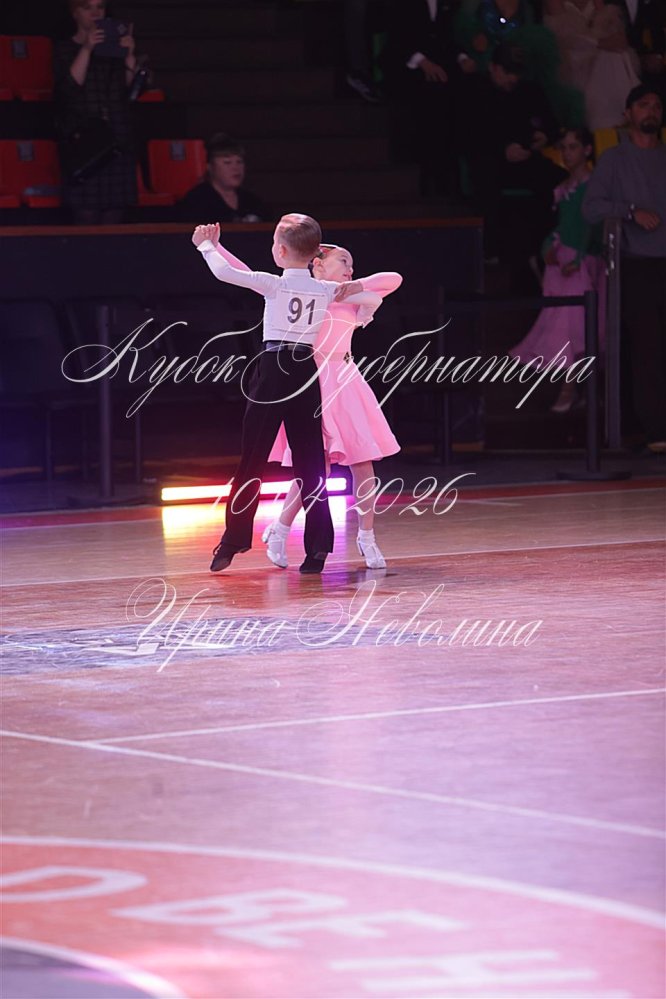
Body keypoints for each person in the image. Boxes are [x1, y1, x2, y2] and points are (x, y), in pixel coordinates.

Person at [192, 214, 364, 574]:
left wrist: (207, 245)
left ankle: (233, 541)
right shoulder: (324, 289)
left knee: (253, 457)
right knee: (311, 460)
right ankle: (318, 549)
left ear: (280, 251)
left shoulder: (274, 283)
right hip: (305, 371)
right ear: (314, 254)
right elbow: (371, 291)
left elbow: (225, 272)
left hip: (273, 370)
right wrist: (351, 286)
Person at [264, 244, 402, 570]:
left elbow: (393, 279)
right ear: (318, 264)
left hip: (346, 381)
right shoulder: (306, 293)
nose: (350, 268)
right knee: (315, 469)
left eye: (353, 263)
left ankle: (367, 536)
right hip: (313, 381)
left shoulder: (354, 296)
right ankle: (280, 529)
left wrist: (355, 285)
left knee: (363, 461)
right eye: (344, 262)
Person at [582, 84, 665, 451]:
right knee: (648, 348)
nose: (652, 111)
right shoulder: (615, 159)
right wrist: (630, 211)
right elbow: (591, 207)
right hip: (638, 263)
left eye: (657, 106)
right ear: (628, 114)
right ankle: (657, 430)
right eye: (644, 105)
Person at [510, 127, 605, 411]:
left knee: (577, 325)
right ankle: (576, 389)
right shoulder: (563, 187)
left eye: (573, 147)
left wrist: (580, 257)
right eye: (564, 147)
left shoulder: (595, 185)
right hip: (564, 262)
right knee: (567, 323)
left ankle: (573, 389)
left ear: (587, 150)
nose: (567, 153)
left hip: (584, 263)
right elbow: (563, 226)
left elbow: (593, 225)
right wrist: (548, 247)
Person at [460, 43, 566, 259]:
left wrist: (545, 136)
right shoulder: (475, 90)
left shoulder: (529, 90)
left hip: (527, 159)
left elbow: (552, 125)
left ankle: (552, 246)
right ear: (493, 67)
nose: (513, 78)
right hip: (490, 161)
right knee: (486, 181)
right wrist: (502, 151)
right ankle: (491, 253)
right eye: (507, 71)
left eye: (516, 72)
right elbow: (467, 135)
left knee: (561, 182)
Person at [53, 0, 138, 224]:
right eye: (87, 8)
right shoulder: (64, 48)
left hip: (117, 137)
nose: (95, 13)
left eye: (99, 7)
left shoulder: (113, 51)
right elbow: (69, 88)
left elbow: (129, 91)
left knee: (115, 214)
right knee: (86, 213)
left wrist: (129, 55)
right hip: (86, 141)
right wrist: (87, 48)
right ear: (75, 13)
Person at [544, 0, 640, 130]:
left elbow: (617, 38)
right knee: (606, 55)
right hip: (571, 65)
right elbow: (565, 41)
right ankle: (616, 119)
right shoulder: (556, 4)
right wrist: (598, 43)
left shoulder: (598, 4)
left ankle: (621, 118)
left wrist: (603, 37)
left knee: (614, 55)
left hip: (601, 62)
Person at [177, 133, 270, 223]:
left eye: (239, 162)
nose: (235, 168)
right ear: (210, 166)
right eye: (227, 162)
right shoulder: (196, 201)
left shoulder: (253, 202)